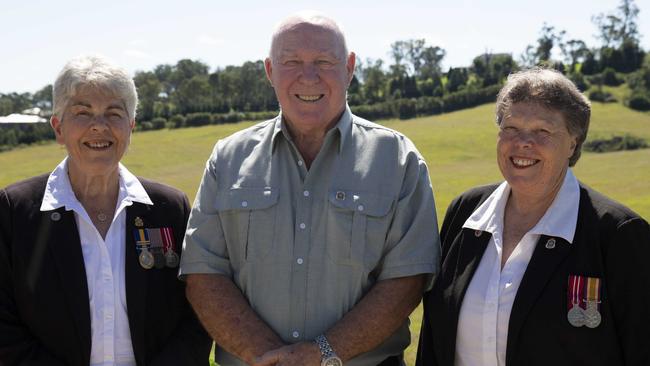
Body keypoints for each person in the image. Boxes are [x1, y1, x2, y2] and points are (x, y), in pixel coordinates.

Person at [179, 12, 439, 366]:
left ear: (349, 67)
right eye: (292, 62)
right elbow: (204, 273)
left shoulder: (397, 159)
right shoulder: (228, 159)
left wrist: (324, 354)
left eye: (323, 61)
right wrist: (269, 356)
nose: (308, 76)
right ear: (270, 70)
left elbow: (406, 280)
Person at [416, 68, 650, 366]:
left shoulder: (618, 234)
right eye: (511, 128)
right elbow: (434, 339)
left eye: (543, 131)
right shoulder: (466, 211)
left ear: (573, 143)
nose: (523, 142)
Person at [0, 55, 212, 366]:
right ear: (58, 128)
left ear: (131, 127)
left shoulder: (170, 208)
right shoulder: (13, 211)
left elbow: (199, 312)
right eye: (82, 113)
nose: (99, 126)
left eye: (113, 113)